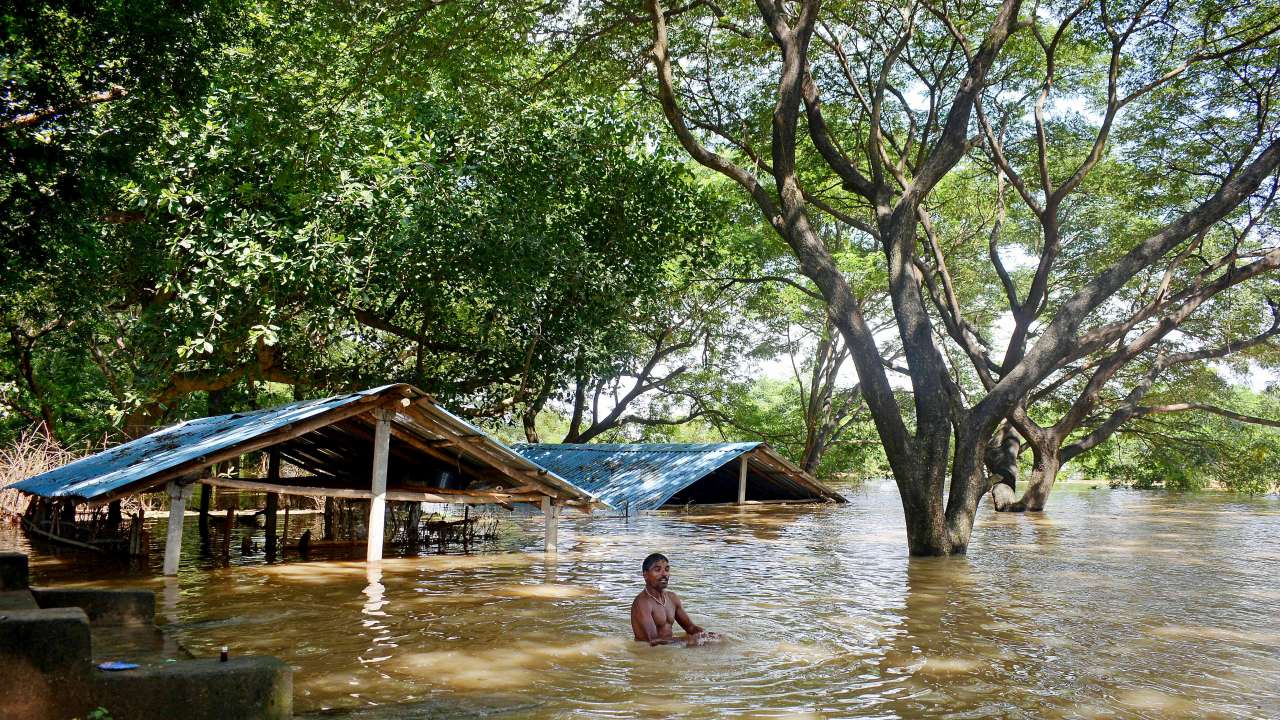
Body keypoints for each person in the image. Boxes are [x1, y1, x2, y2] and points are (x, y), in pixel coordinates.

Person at [630, 552, 720, 646]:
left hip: (669, 647)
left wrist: (707, 636)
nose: (664, 574)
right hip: (648, 654)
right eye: (657, 570)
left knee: (716, 643)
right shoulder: (642, 603)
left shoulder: (672, 598)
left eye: (667, 569)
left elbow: (691, 628)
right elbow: (653, 641)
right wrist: (686, 640)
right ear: (645, 575)